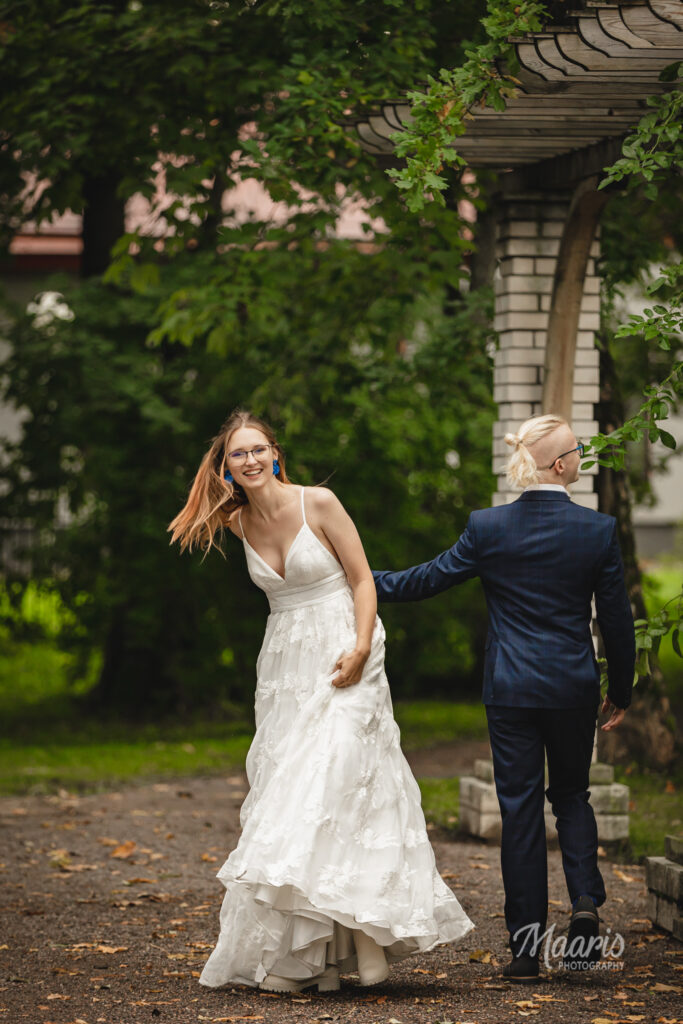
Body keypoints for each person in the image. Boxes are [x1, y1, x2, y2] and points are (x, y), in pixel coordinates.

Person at [168, 409, 474, 994]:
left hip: (345, 646)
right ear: (226, 465)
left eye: (258, 450)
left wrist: (360, 647)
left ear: (276, 453)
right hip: (285, 662)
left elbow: (363, 580)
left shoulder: (320, 503)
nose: (250, 460)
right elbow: (204, 512)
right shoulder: (235, 522)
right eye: (238, 454)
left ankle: (362, 937)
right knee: (296, 795)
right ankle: (325, 955)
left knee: (337, 779)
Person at [372, 414, 635, 980]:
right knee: (571, 795)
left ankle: (524, 953)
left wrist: (361, 579)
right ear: (561, 466)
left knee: (519, 811)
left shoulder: (488, 528)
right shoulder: (598, 530)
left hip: (511, 689)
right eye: (578, 451)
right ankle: (585, 903)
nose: (583, 457)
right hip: (572, 687)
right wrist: (623, 691)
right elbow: (617, 620)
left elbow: (426, 579)